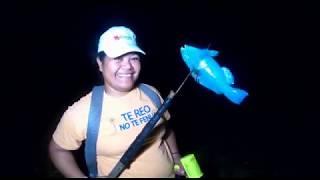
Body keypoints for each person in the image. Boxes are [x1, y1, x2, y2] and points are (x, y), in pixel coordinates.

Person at [48, 25, 186, 178]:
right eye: (117, 58)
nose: (128, 66)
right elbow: (57, 150)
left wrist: (176, 157)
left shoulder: (150, 92)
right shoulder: (82, 112)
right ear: (100, 63)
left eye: (134, 58)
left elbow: (165, 129)